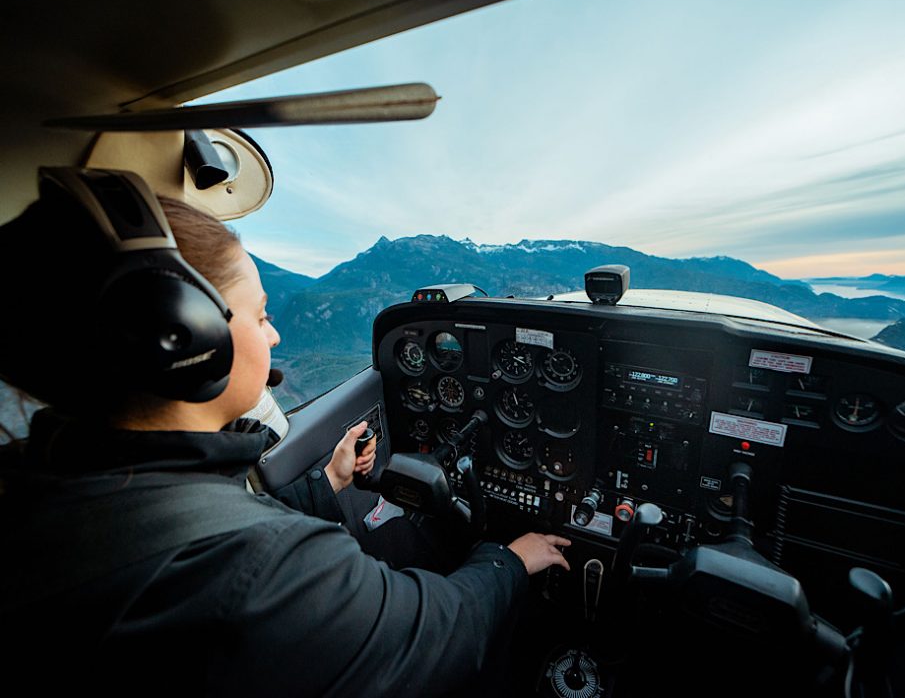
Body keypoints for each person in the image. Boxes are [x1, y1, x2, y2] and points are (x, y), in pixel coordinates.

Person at [0, 171, 570, 697]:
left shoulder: (37, 478)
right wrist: (507, 561)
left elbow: (213, 517)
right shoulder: (262, 568)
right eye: (262, 315)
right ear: (184, 335)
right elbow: (436, 637)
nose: (273, 338)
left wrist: (326, 481)